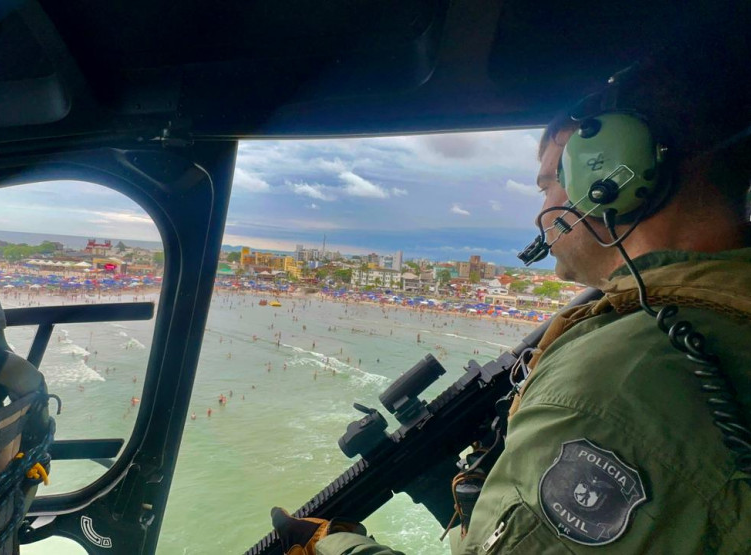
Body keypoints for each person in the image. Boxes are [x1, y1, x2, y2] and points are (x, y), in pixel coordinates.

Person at [271, 26, 751, 554]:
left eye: (550, 181)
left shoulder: (613, 384)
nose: (541, 210)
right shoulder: (717, 319)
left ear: (613, 173)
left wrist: (334, 548)